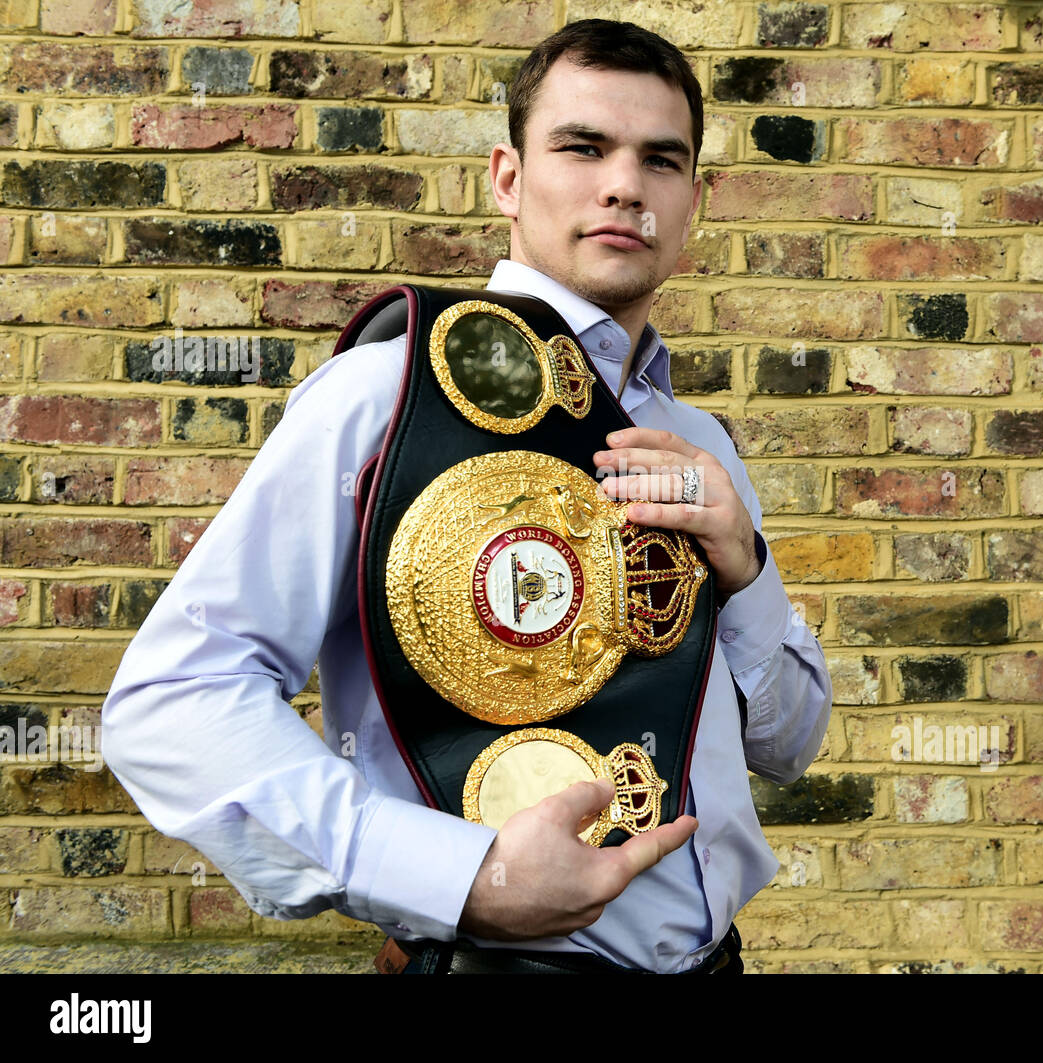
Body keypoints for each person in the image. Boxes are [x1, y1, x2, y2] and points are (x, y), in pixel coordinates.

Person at [101, 19, 832, 975]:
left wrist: (747, 570)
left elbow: (788, 745)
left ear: (695, 200)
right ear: (508, 179)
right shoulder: (385, 396)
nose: (623, 184)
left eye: (661, 160)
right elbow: (172, 701)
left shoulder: (698, 444)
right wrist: (463, 876)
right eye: (582, 147)